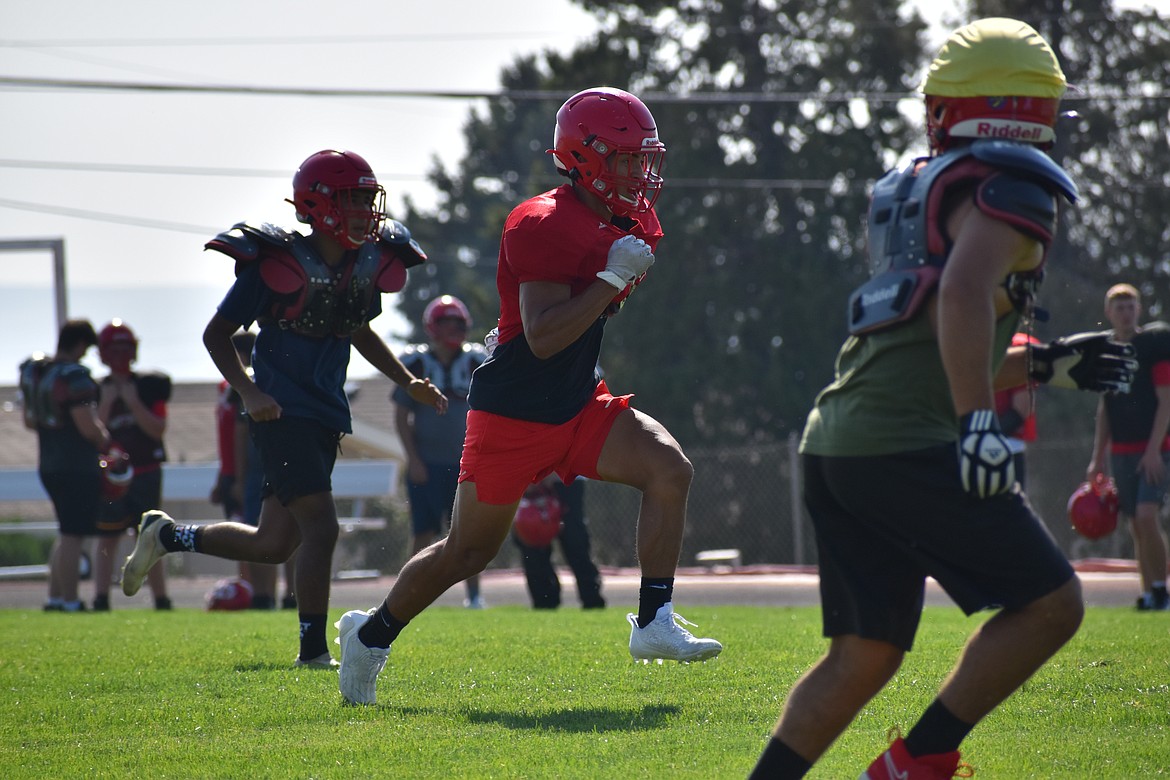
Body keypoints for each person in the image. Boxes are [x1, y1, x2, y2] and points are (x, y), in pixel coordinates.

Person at [748, 19, 1137, 779]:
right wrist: (977, 426)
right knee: (1054, 604)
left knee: (863, 655)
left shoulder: (916, 189)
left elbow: (936, 334)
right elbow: (961, 296)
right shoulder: (1014, 188)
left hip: (838, 440)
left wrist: (1048, 366)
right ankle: (913, 764)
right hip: (904, 440)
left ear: (949, 105)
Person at [335, 86, 722, 707]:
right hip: (514, 414)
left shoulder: (624, 218)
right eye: (627, 158)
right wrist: (610, 278)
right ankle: (371, 638)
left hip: (576, 402)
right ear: (587, 158)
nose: (641, 172)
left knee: (669, 468)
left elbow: (574, 320)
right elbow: (542, 337)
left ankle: (653, 622)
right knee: (467, 551)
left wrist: (604, 282)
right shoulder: (542, 220)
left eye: (643, 158)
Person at [119, 149, 447, 667]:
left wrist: (407, 381)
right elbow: (217, 334)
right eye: (351, 199)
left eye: (368, 198)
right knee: (322, 528)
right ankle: (313, 651)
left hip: (325, 413)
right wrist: (249, 391)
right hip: (281, 414)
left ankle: (167, 535)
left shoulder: (368, 263)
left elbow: (358, 329)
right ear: (317, 205)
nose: (364, 210)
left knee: (274, 542)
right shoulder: (277, 262)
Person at [394, 294, 487, 609]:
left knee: (468, 534)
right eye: (446, 322)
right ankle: (408, 595)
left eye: (457, 323)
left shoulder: (477, 360)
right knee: (424, 532)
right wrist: (414, 459)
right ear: (433, 327)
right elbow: (400, 417)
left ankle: (474, 597)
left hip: (465, 463)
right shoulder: (417, 363)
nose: (453, 329)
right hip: (427, 463)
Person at [1087, 283, 1170, 611]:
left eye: (1130, 306)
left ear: (1139, 310)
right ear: (1109, 312)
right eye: (1119, 307)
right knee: (1136, 522)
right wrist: (1097, 458)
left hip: (1155, 448)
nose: (1125, 313)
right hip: (1121, 450)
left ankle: (1162, 589)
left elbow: (1166, 401)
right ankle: (1148, 591)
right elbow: (1104, 410)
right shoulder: (1107, 352)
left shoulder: (1153, 346)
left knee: (1148, 516)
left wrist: (1153, 449)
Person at [20, 320, 110, 612]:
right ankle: (71, 600)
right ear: (81, 344)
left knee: (65, 531)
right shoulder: (74, 376)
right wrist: (106, 439)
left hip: (48, 461)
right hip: (76, 465)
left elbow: (30, 421)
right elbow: (88, 427)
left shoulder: (38, 372)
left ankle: (55, 597)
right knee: (74, 534)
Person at [93, 319, 173, 611]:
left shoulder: (149, 386)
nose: (120, 357)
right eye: (115, 350)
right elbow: (93, 434)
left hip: (145, 472)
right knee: (107, 535)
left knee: (151, 536)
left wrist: (132, 401)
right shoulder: (94, 389)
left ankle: (161, 598)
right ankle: (100, 597)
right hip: (112, 475)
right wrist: (106, 403)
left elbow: (157, 429)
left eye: (125, 349)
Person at [208, 329, 288, 610]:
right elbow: (234, 437)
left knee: (275, 533)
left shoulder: (256, 380)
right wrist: (229, 477)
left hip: (265, 469)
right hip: (261, 470)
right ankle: (264, 595)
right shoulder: (239, 388)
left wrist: (238, 478)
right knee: (262, 533)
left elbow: (241, 436)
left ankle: (276, 595)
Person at [513, 475, 605, 610]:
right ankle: (544, 601)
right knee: (532, 541)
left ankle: (591, 598)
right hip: (530, 475)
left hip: (567, 476)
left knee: (575, 541)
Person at [994, 332, 1040, 488]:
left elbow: (1022, 408)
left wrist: (986, 435)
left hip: (1008, 447)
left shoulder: (1018, 348)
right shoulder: (963, 344)